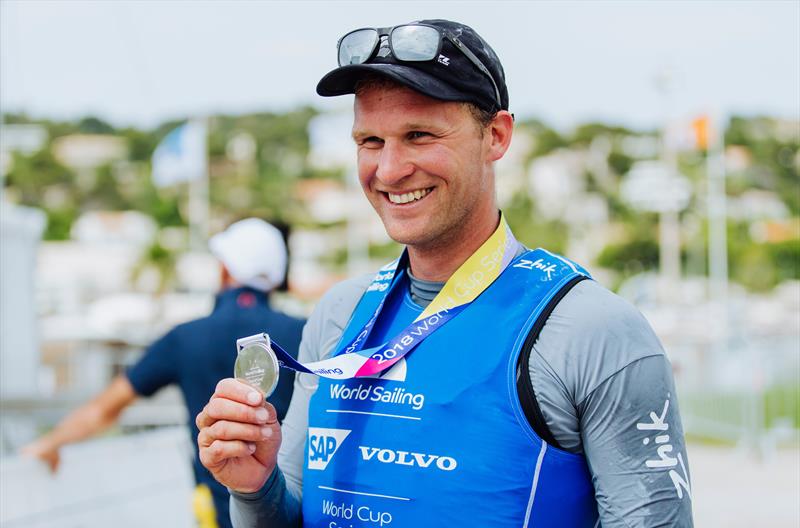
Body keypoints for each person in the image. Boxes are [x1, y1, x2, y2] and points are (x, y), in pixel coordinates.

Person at [196, 20, 694, 527]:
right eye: (370, 140)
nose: (389, 170)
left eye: (419, 135)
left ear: (496, 136)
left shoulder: (593, 331)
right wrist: (255, 489)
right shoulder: (339, 315)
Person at [22, 217, 306, 528]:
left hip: (217, 512)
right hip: (286, 510)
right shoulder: (304, 333)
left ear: (225, 269)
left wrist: (50, 443)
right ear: (276, 277)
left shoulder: (185, 337)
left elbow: (106, 408)